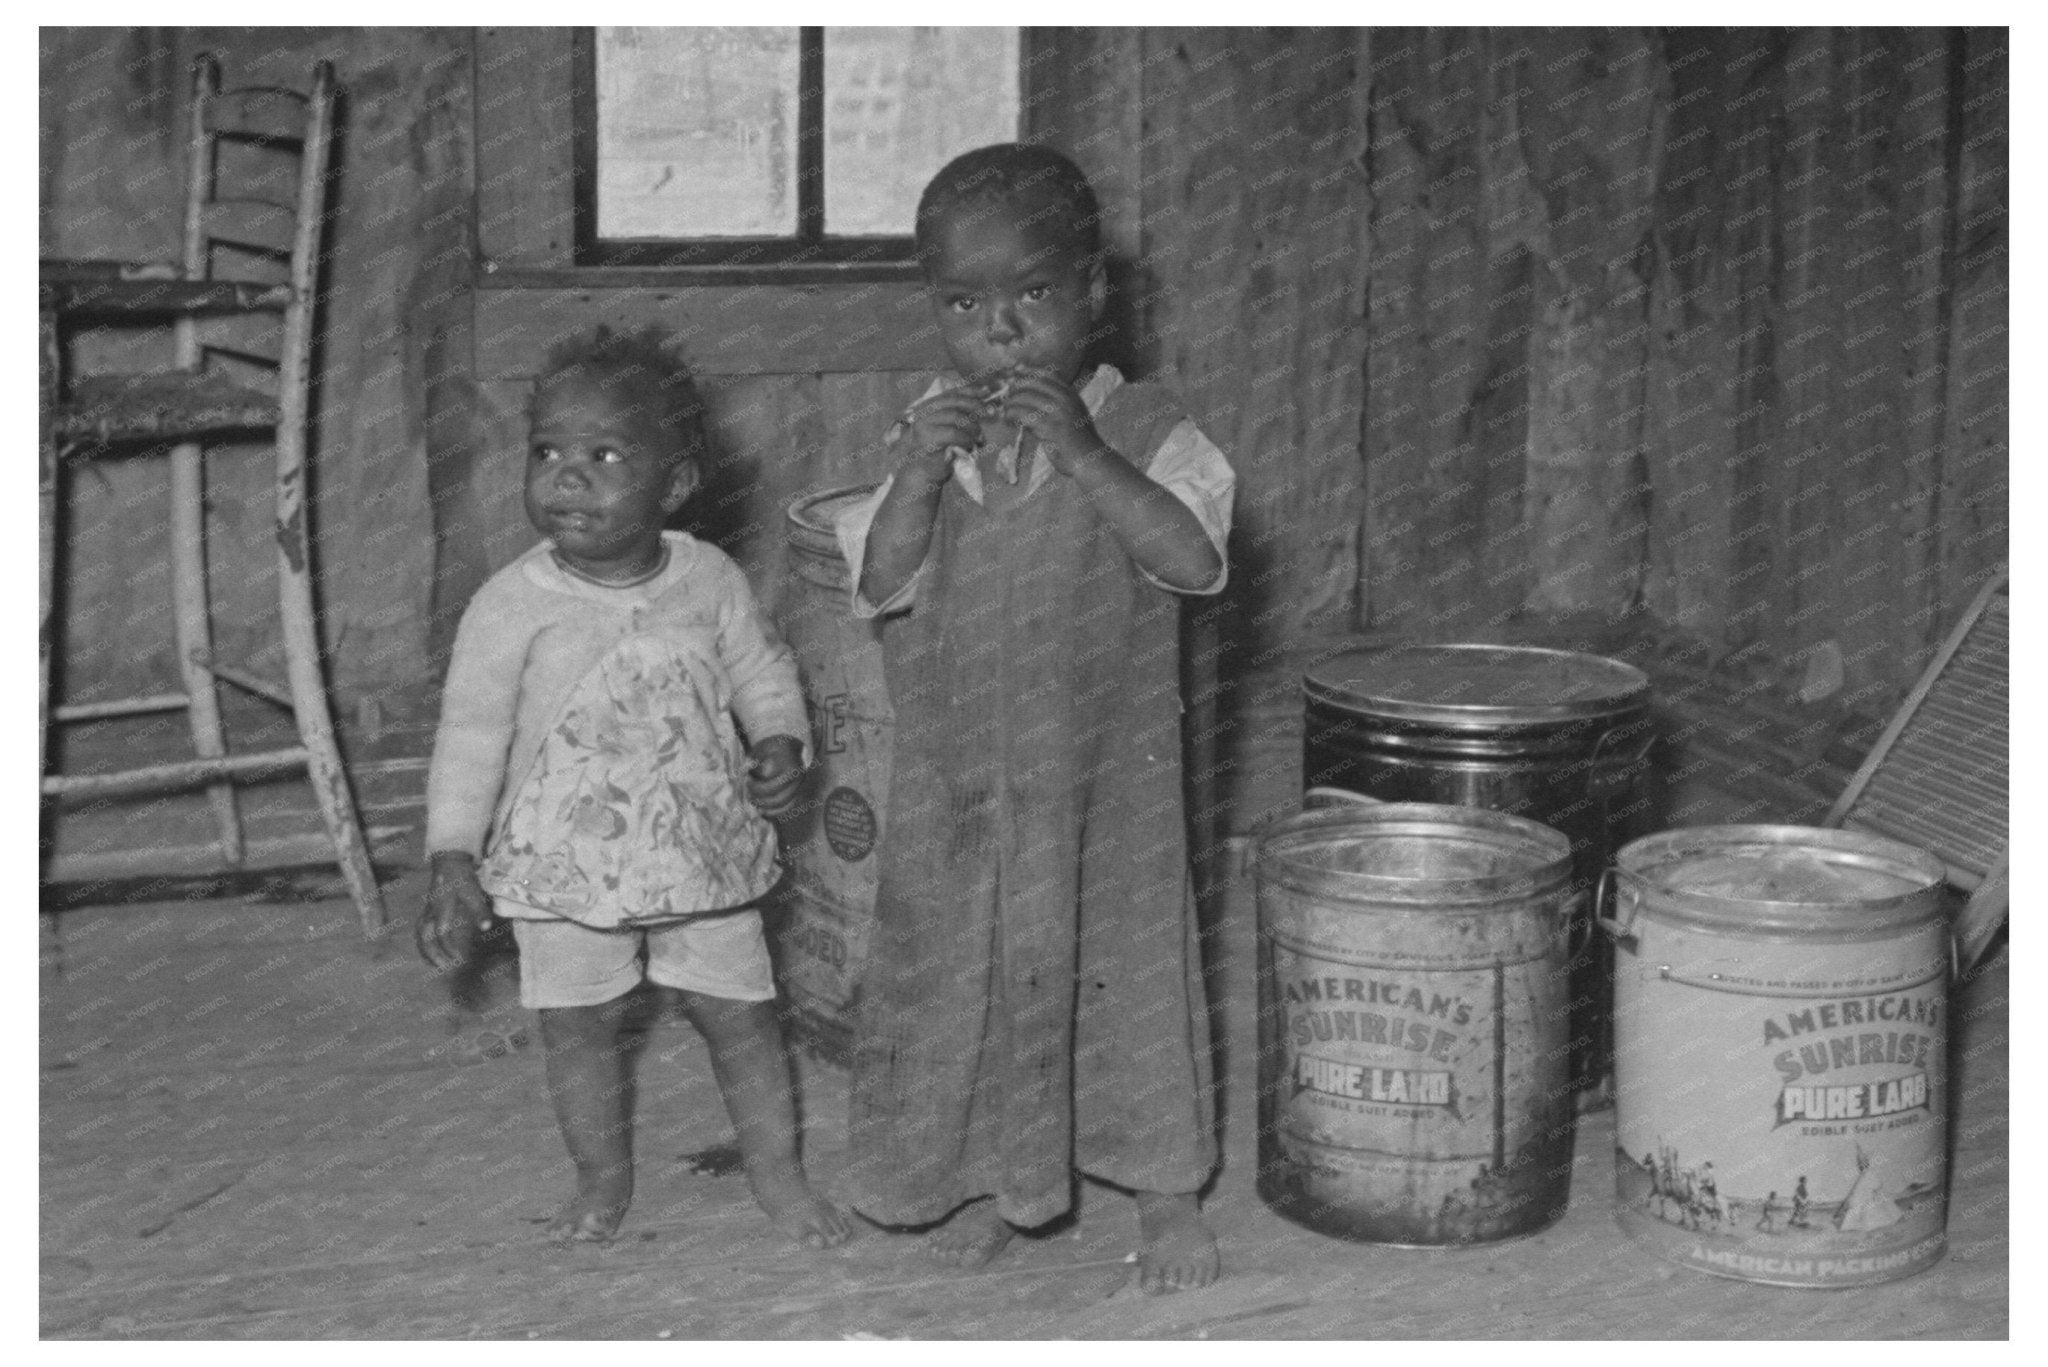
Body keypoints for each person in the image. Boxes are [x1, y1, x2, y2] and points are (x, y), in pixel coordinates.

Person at [834, 143, 1235, 1293]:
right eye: (964, 302)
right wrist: (914, 474)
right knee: (969, 975)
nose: (999, 332)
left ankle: (1165, 1193)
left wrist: (1082, 449)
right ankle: (1009, 1191)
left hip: (1109, 786)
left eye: (1033, 296)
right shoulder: (928, 433)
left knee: (1128, 974)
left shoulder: (1148, 425)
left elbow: (1195, 557)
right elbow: (877, 581)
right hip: (964, 786)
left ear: (1094, 297)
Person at [415, 326, 851, 1251]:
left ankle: (778, 1173)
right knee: (580, 1027)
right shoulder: (509, 603)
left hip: (700, 847)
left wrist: (781, 739)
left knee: (740, 1015)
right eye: (548, 451)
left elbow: (762, 670)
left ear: (676, 484)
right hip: (563, 862)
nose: (568, 475)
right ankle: (601, 1179)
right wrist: (452, 851)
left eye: (605, 455)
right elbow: (471, 733)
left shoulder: (709, 578)